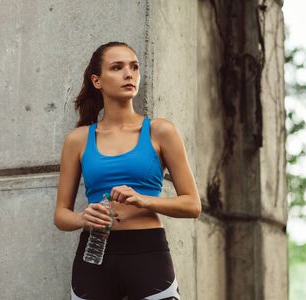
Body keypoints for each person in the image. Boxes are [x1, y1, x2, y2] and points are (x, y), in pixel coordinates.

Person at [53, 41, 202, 300]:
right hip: (94, 255)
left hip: (148, 252)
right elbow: (61, 215)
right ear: (97, 81)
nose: (129, 74)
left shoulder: (160, 131)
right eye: (117, 67)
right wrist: (82, 218)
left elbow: (193, 205)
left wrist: (145, 200)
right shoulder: (77, 140)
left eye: (134, 67)